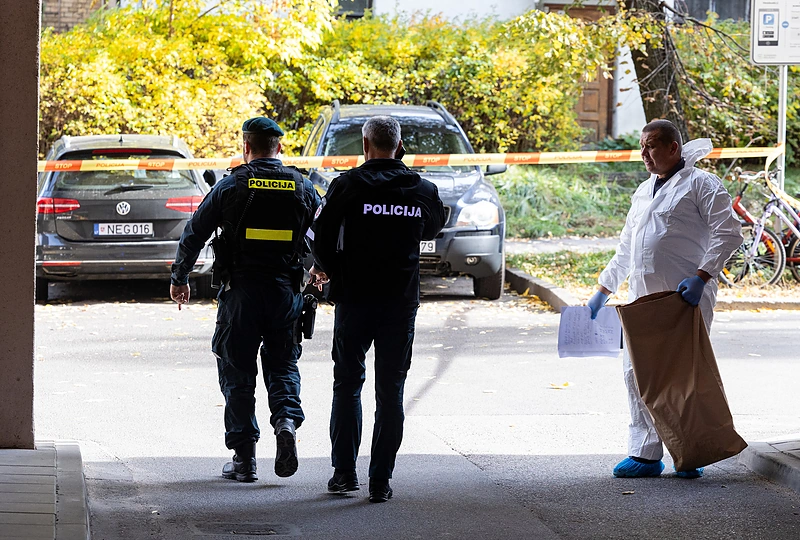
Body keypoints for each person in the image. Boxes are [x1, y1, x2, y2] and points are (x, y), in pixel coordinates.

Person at [587, 119, 743, 480]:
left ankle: (692, 450)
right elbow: (627, 247)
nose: (644, 153)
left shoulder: (701, 184)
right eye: (642, 146)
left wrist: (702, 276)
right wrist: (603, 289)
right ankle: (644, 454)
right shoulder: (643, 191)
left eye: (652, 146)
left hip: (683, 298)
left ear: (674, 148)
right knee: (635, 374)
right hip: (643, 297)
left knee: (684, 377)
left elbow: (728, 232)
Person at [170, 117, 321, 483]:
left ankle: (244, 459)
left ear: (246, 147)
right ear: (279, 148)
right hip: (285, 294)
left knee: (238, 374)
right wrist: (321, 272)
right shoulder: (303, 187)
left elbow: (195, 232)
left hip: (240, 295)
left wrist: (180, 278)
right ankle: (285, 421)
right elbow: (326, 235)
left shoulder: (231, 186)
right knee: (283, 365)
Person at [311, 116, 446, 503]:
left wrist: (329, 269)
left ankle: (343, 474)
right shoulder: (422, 188)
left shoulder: (346, 186)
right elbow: (432, 230)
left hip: (354, 300)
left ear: (365, 145)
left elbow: (318, 238)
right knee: (391, 392)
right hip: (399, 304)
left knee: (348, 384)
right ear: (400, 146)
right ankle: (380, 481)